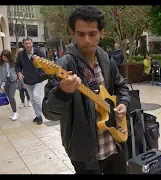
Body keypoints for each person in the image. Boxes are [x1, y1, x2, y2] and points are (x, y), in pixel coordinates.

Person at [42, 6, 130, 174]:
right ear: (73, 33)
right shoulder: (64, 66)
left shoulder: (107, 60)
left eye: (92, 34)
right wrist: (62, 92)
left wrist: (124, 104)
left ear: (102, 33)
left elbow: (121, 87)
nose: (87, 40)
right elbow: (49, 112)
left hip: (114, 143)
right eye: (81, 34)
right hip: (84, 152)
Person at [15, 37, 47, 125]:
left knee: (36, 96)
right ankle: (37, 115)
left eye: (30, 43)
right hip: (27, 81)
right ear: (23, 44)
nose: (28, 45)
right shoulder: (21, 54)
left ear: (32, 43)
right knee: (32, 99)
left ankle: (40, 115)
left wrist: (39, 72)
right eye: (26, 43)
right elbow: (17, 65)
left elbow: (46, 64)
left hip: (38, 80)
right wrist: (19, 73)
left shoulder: (39, 52)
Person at [0, 50, 18, 120]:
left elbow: (18, 71)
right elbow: (0, 74)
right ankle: (14, 112)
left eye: (6, 57)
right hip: (5, 82)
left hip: (13, 81)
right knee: (9, 98)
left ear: (9, 57)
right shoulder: (1, 64)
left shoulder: (13, 62)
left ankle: (15, 112)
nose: (4, 59)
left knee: (11, 97)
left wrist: (19, 81)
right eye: (3, 57)